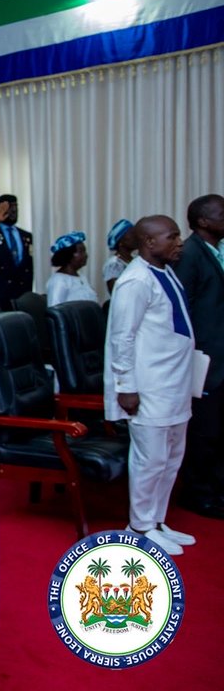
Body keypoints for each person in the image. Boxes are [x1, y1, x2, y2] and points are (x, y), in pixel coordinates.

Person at [105, 215, 197, 554]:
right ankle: (140, 525)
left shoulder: (165, 271)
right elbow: (121, 338)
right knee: (150, 459)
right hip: (150, 386)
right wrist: (126, 385)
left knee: (172, 458)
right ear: (149, 243)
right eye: (172, 237)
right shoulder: (135, 281)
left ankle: (157, 521)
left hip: (174, 381)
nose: (179, 242)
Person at [173, 194, 224, 518]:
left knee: (218, 429)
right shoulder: (190, 254)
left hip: (219, 356)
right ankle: (197, 494)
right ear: (203, 221)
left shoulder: (214, 251)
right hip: (204, 360)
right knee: (205, 431)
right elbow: (182, 310)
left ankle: (216, 488)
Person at [45, 231, 98, 306]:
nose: (86, 255)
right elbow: (55, 310)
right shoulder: (59, 281)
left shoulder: (81, 277)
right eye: (81, 251)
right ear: (68, 255)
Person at [103, 218, 138, 295]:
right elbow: (115, 292)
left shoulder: (136, 259)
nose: (136, 238)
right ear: (120, 242)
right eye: (132, 235)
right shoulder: (113, 264)